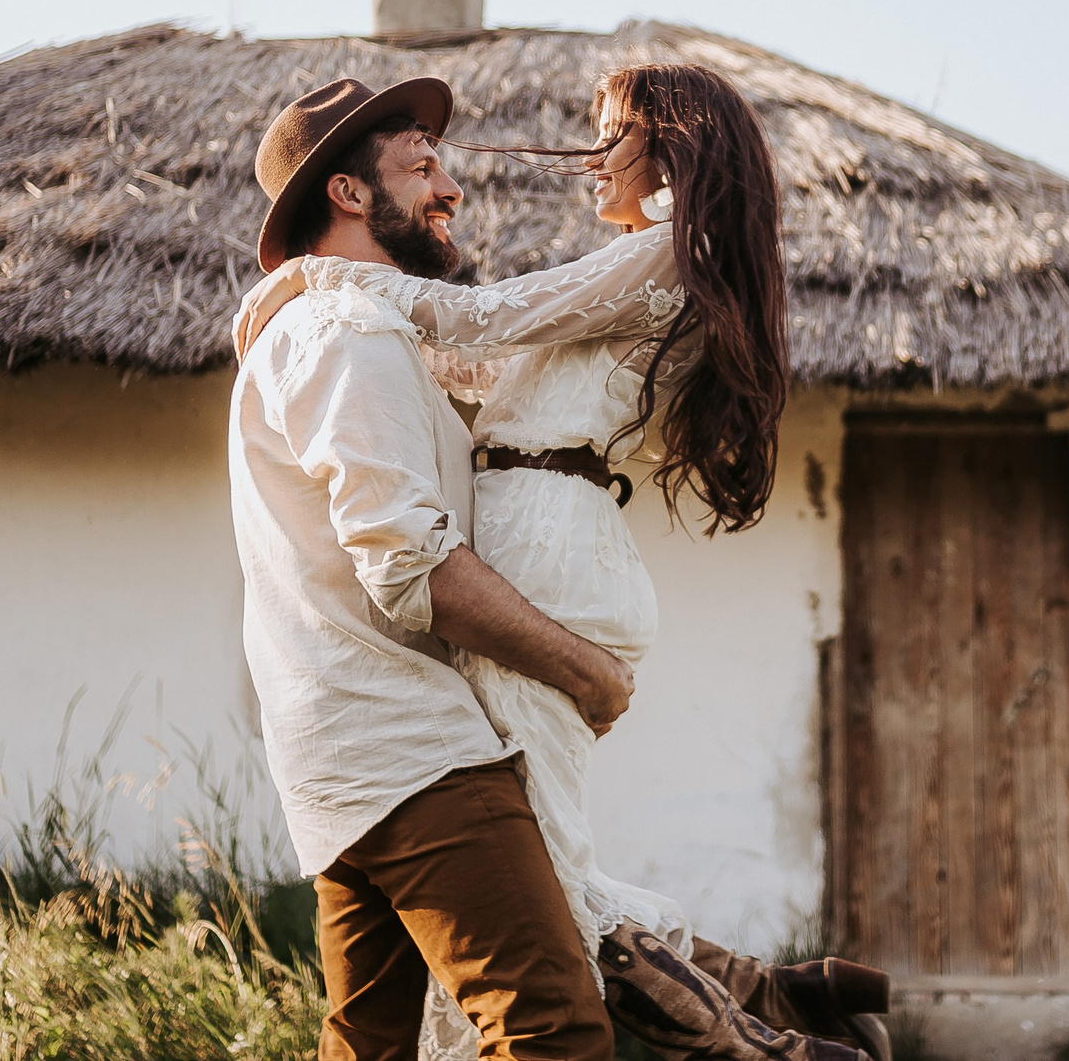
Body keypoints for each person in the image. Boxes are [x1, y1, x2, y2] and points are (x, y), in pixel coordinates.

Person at [236, 65, 891, 1061]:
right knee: (514, 935)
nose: (587, 159)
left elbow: (480, 325)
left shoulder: (669, 253)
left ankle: (763, 1033)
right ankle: (768, 1011)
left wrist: (320, 276)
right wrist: (321, 297)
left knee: (525, 925)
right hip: (460, 643)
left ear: (663, 142)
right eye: (424, 165)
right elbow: (469, 376)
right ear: (349, 191)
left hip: (522, 571)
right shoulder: (349, 335)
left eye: (606, 137)